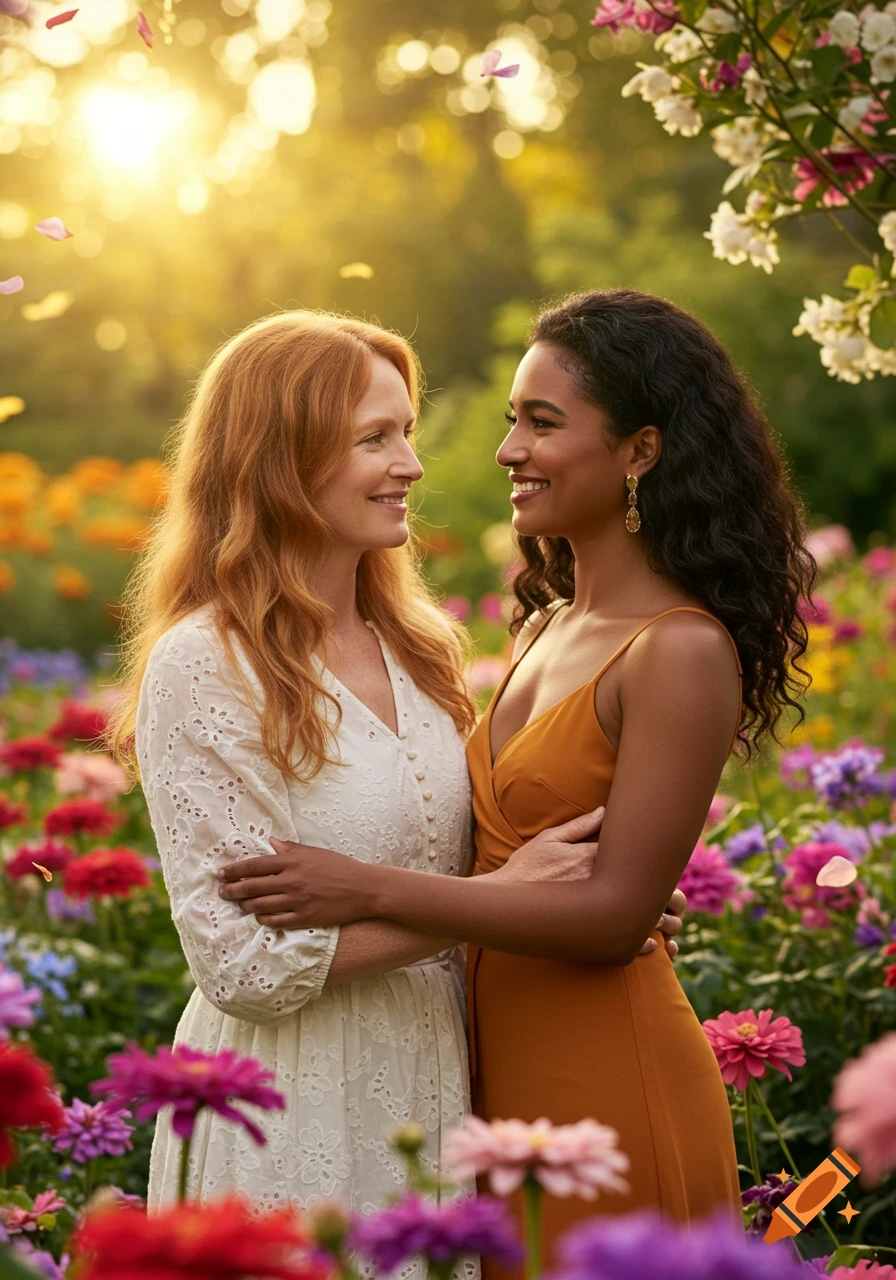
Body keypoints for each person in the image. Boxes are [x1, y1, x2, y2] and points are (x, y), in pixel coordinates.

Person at [219, 290, 816, 1275]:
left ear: (639, 450)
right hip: (483, 1076)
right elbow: (517, 861)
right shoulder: (543, 624)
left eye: (542, 422)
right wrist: (501, 893)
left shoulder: (678, 649)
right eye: (511, 419)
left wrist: (361, 887)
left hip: (604, 1072)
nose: (508, 449)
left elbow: (613, 920)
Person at [106, 309, 682, 1253]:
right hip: (289, 1104)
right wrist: (499, 902)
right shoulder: (205, 664)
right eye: (374, 438)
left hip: (436, 1082)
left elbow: (472, 856)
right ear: (280, 459)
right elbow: (243, 965)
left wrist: (598, 892)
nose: (410, 464)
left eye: (406, 432)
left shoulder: (420, 649)